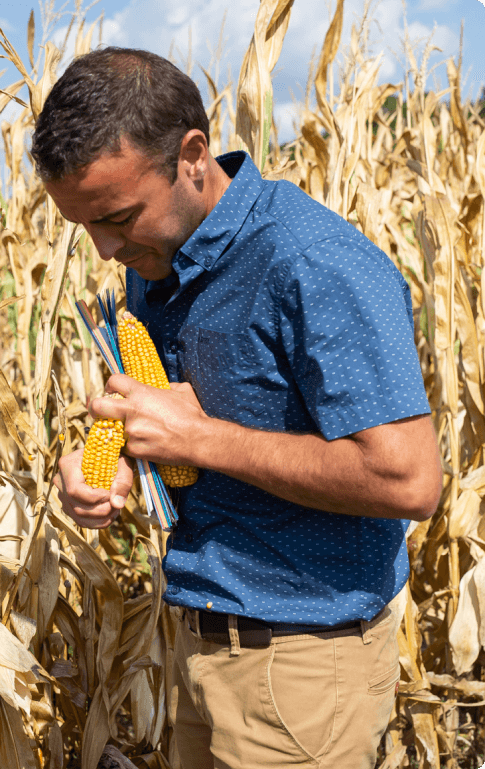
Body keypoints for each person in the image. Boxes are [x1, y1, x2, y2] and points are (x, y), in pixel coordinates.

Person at [32, 47, 442, 769]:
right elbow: (185, 409)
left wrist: (197, 439)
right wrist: (121, 461)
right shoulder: (158, 261)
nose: (103, 248)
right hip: (196, 646)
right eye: (85, 226)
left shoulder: (310, 263)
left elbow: (408, 481)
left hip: (301, 667)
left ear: (192, 155)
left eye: (118, 217)